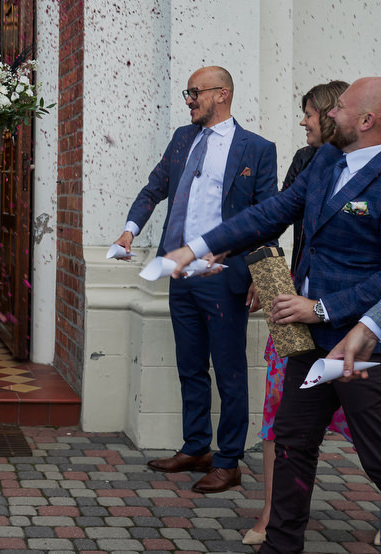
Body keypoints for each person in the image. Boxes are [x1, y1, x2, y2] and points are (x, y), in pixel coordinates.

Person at [165, 77, 381, 553]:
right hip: (309, 341)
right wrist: (197, 246)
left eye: (341, 108)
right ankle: (280, 545)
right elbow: (272, 212)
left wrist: (323, 308)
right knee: (292, 442)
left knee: (376, 454)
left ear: (366, 121)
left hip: (362, 345)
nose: (330, 113)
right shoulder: (326, 159)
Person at [113, 66, 277, 493]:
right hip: (180, 272)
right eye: (187, 93)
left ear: (222, 94)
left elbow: (269, 217)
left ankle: (228, 460)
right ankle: (196, 447)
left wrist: (265, 276)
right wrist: (130, 229)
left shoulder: (257, 149)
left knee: (229, 371)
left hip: (225, 275)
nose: (188, 100)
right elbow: (153, 188)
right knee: (190, 366)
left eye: (194, 92)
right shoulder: (182, 139)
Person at [242, 81, 352, 545]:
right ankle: (272, 514)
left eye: (308, 113)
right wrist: (264, 275)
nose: (302, 121)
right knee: (279, 414)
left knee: (369, 423)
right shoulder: (306, 160)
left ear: (329, 115)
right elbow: (275, 219)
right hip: (294, 305)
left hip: (353, 316)